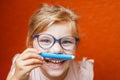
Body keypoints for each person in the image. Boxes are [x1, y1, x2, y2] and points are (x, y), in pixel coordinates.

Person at [6, 4, 94, 80]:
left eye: (66, 41)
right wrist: (17, 78)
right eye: (45, 40)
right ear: (30, 43)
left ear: (76, 45)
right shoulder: (21, 68)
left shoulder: (82, 74)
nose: (56, 50)